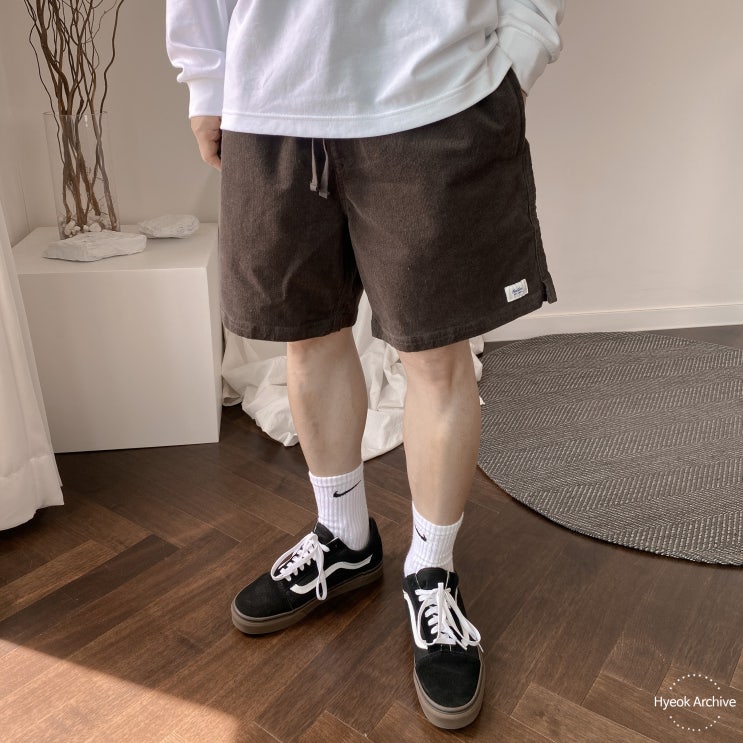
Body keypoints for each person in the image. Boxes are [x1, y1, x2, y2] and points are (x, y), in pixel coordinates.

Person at [166, 1, 564, 730]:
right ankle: (343, 537)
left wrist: (524, 39)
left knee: (436, 357)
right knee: (306, 338)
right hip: (270, 96)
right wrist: (205, 78)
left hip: (433, 86)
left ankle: (431, 570)